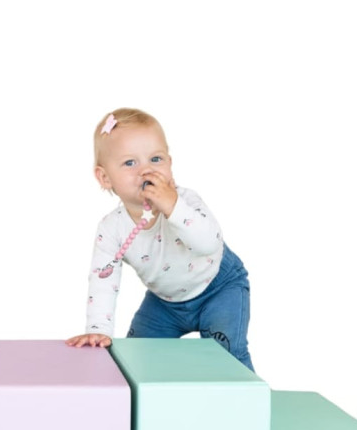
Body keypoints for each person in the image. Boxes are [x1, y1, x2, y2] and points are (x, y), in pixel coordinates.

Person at [65, 108, 254, 371]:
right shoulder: (112, 229)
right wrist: (98, 329)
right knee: (134, 358)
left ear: (169, 163)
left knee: (228, 354)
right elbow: (103, 280)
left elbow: (209, 243)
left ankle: (244, 396)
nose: (146, 170)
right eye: (130, 163)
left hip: (219, 288)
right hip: (164, 303)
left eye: (156, 159)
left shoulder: (185, 201)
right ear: (105, 177)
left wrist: (173, 207)